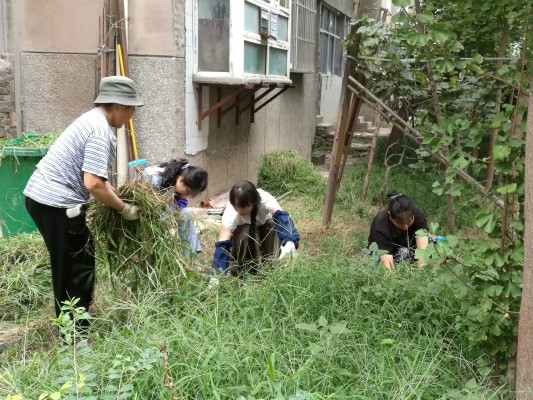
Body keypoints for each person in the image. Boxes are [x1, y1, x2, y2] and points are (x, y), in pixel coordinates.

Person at [24, 76, 143, 331]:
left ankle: (78, 318)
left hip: (46, 199)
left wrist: (117, 198)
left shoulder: (92, 120)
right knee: (73, 268)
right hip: (54, 203)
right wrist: (124, 209)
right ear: (119, 105)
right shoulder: (100, 132)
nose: (131, 115)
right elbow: (93, 184)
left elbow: (98, 180)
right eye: (132, 108)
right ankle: (74, 336)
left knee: (83, 257)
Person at [211, 180, 300, 276]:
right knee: (245, 231)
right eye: (236, 207)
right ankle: (244, 269)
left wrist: (290, 241)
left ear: (253, 202)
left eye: (244, 207)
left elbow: (282, 217)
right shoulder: (231, 213)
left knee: (272, 225)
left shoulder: (264, 199)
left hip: (263, 230)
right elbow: (222, 245)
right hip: (243, 239)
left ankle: (270, 264)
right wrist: (217, 274)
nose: (239, 211)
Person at [142, 159, 208, 256]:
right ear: (181, 180)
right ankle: (156, 254)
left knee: (186, 213)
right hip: (146, 209)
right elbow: (149, 204)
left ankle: (190, 254)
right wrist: (168, 211)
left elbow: (181, 203)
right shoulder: (155, 178)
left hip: (163, 207)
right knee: (163, 219)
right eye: (187, 191)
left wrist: (172, 209)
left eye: (190, 193)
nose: (187, 194)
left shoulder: (181, 179)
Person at [367, 191, 429, 271]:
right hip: (385, 252)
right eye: (400, 223)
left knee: (438, 245)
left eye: (409, 222)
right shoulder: (381, 224)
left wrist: (422, 271)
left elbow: (423, 252)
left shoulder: (418, 216)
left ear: (413, 215)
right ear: (390, 216)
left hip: (410, 248)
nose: (405, 227)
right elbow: (388, 268)